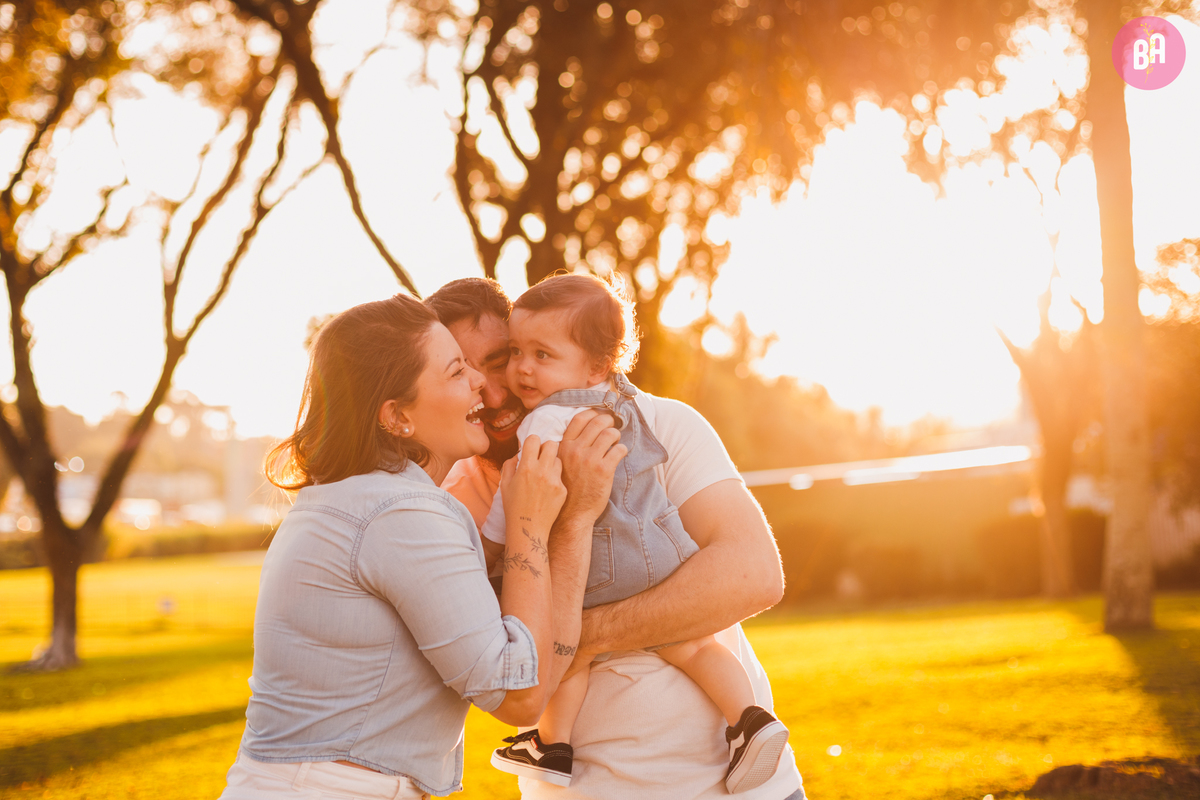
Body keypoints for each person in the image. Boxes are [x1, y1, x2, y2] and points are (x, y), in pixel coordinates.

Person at [218, 293, 625, 800]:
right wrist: (542, 521)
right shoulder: (398, 513)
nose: (482, 384)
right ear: (397, 417)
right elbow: (518, 695)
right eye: (457, 371)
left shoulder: (363, 497)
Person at [429, 278, 806, 800]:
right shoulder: (453, 499)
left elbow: (754, 576)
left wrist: (579, 636)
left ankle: (748, 726)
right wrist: (575, 516)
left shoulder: (659, 425)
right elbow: (512, 680)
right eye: (464, 371)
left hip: (738, 791)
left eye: (500, 359)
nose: (494, 391)